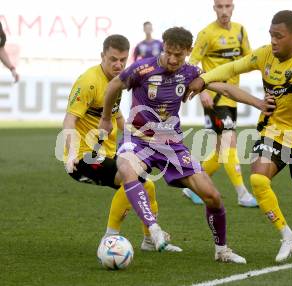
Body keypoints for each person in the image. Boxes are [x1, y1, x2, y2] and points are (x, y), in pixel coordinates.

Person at [98, 27, 274, 263]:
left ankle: (222, 250)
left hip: (172, 145)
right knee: (128, 170)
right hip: (137, 139)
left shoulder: (191, 72)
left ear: (189, 52)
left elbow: (224, 87)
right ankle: (154, 229)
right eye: (168, 52)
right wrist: (107, 118)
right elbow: (113, 87)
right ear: (164, 46)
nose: (172, 59)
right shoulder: (143, 68)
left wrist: (258, 103)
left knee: (212, 196)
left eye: (178, 55)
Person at [186, 10, 292, 263]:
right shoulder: (264, 55)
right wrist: (203, 79)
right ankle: (287, 235)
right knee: (258, 178)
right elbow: (234, 66)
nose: (274, 41)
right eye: (271, 35)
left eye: (279, 36)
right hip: (273, 132)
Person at [62, 34, 181, 252]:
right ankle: (110, 238)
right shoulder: (89, 82)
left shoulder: (117, 82)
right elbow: (69, 119)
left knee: (148, 186)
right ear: (102, 56)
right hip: (83, 157)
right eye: (113, 59)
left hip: (107, 154)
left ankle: (148, 239)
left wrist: (135, 141)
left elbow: (117, 117)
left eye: (122, 60)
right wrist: (70, 155)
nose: (118, 65)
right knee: (133, 181)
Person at [181, 0, 257, 207]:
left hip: (231, 96)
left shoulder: (240, 31)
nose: (224, 10)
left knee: (221, 152)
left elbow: (250, 60)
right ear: (214, 8)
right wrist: (202, 89)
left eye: (228, 6)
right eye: (220, 6)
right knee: (230, 141)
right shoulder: (206, 34)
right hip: (214, 97)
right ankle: (242, 194)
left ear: (233, 7)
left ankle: (191, 186)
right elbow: (192, 64)